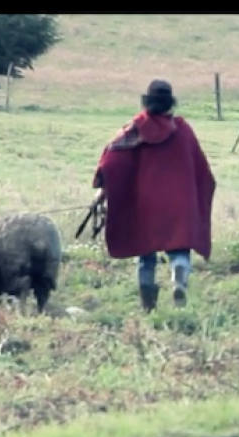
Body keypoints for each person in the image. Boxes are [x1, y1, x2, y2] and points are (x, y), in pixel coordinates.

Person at [91, 79, 216, 312]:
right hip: (180, 203)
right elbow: (203, 171)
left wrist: (104, 189)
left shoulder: (136, 129)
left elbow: (113, 162)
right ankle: (178, 275)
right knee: (179, 249)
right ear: (170, 103)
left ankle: (148, 305)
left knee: (146, 253)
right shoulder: (183, 129)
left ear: (148, 102)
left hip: (146, 204)